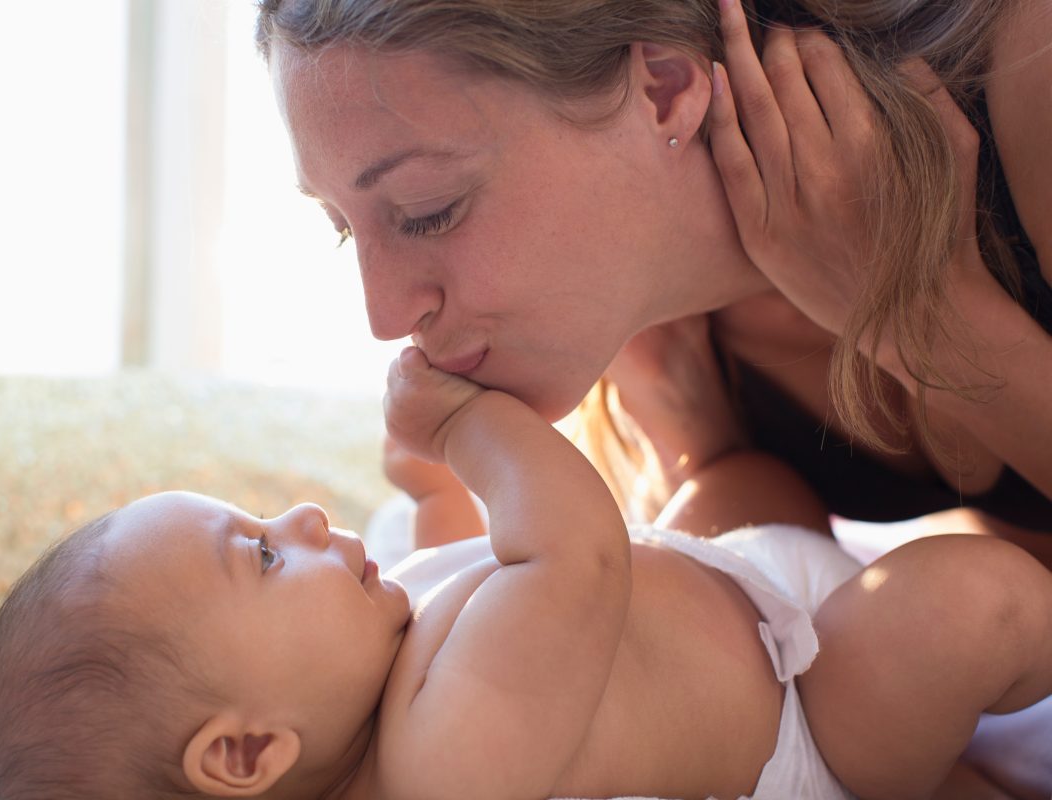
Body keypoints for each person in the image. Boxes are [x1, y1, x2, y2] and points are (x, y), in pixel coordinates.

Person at [0, 347, 1052, 800]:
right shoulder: (447, 765)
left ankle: (727, 470)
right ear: (246, 749)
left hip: (726, 581)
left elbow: (454, 542)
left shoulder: (372, 656)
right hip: (811, 714)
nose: (298, 515)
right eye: (258, 553)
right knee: (975, 601)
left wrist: (429, 480)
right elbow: (571, 551)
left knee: (741, 478)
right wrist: (465, 424)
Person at [255, 0, 1052, 551]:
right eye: (341, 229)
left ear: (664, 87)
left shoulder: (1024, 70)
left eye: (429, 210)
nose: (386, 315)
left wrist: (923, 317)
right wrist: (705, 462)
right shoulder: (649, 333)